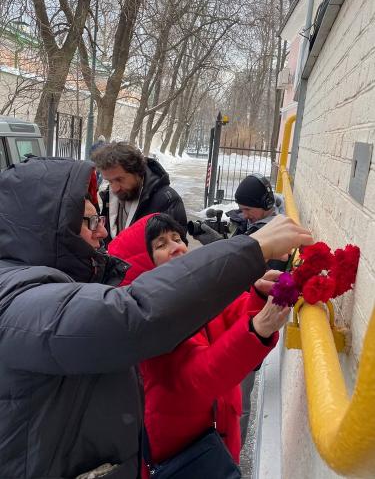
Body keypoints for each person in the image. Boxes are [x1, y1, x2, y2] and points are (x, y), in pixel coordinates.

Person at [0, 157, 313, 478]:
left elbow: (216, 314)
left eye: (177, 238)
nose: (103, 231)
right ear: (49, 227)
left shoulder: (67, 284)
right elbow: (133, 318)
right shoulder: (18, 300)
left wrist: (258, 301)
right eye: (89, 222)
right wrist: (252, 250)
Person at [108, 213, 289, 476]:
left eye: (177, 238)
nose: (177, 247)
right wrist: (258, 330)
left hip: (217, 436)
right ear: (142, 266)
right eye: (161, 245)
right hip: (182, 454)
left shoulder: (193, 295)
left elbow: (232, 312)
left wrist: (260, 296)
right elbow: (196, 379)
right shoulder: (149, 322)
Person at [193, 173, 286, 445]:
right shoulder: (259, 226)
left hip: (252, 324)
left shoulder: (273, 237)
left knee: (239, 400)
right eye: (242, 209)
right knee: (227, 393)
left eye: (248, 209)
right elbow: (234, 253)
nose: (244, 215)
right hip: (239, 317)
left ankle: (231, 456)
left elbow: (241, 264)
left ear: (265, 203)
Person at [93, 141, 187, 243]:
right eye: (110, 181)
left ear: (137, 172)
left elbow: (176, 252)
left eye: (119, 179)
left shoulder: (167, 200)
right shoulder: (109, 195)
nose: (115, 188)